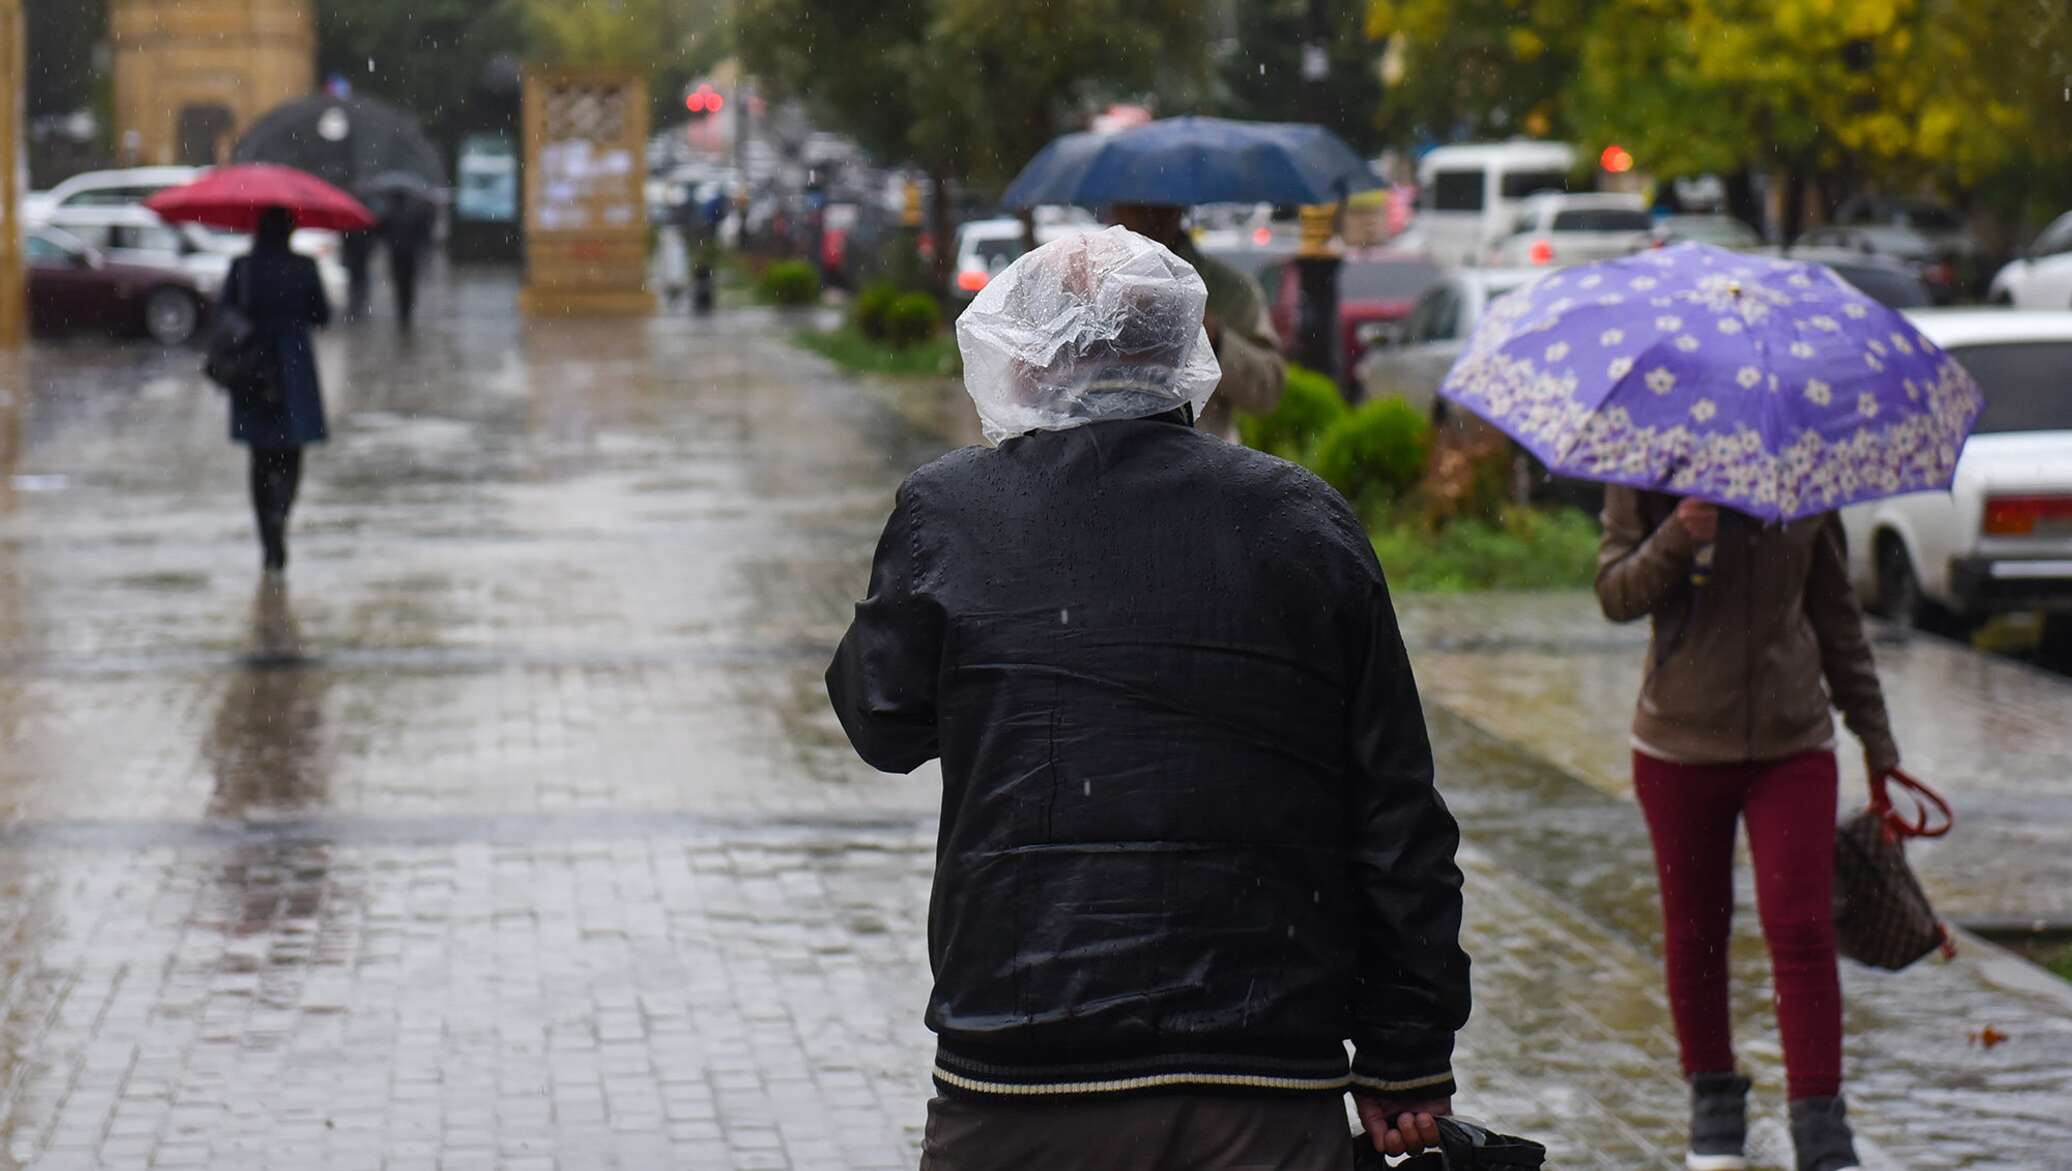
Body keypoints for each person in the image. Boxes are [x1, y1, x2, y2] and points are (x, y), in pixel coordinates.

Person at [827, 227, 1470, 1171]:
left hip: (1022, 1064)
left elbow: (880, 721)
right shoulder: (1302, 519)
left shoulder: (955, 510)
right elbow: (1396, 810)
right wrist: (1406, 1051)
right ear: (1187, 352)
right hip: (1263, 1073)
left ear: (1034, 353)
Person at [1597, 488, 1898, 1171]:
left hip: (1793, 741)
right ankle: (1713, 1102)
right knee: (1696, 926)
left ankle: (1820, 1120)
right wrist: (1677, 533)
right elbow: (1614, 593)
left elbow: (1836, 618)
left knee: (1801, 923)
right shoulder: (1645, 467)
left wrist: (1879, 746)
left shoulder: (1803, 467)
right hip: (1678, 746)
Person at [1111, 202, 1286, 440]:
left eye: (1160, 206)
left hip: (1205, 462)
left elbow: (1267, 391)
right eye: (1134, 206)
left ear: (1179, 207)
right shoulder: (1090, 286)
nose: (1148, 217)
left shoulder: (1230, 290)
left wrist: (1214, 336)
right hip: (1110, 461)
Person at [223, 206, 330, 572]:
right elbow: (322, 315)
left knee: (259, 455)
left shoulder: (243, 267)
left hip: (251, 366)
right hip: (294, 367)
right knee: (292, 451)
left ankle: (266, 536)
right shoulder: (303, 267)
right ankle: (281, 515)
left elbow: (226, 311)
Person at [379, 191, 434, 327]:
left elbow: (380, 232)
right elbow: (423, 234)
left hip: (397, 255)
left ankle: (402, 310)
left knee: (399, 283)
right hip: (410, 255)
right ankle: (406, 310)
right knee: (408, 283)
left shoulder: (389, 214)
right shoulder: (414, 214)